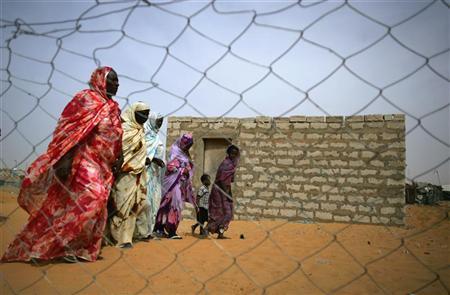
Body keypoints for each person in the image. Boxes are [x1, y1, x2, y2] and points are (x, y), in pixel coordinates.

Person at [2, 66, 123, 263]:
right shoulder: (86, 99)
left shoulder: (113, 107)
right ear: (101, 80)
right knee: (94, 196)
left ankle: (75, 249)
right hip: (83, 159)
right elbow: (69, 131)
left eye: (118, 80)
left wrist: (120, 156)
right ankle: (47, 245)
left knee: (90, 208)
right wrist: (64, 160)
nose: (117, 84)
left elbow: (117, 135)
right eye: (113, 80)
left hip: (104, 166)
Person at [109, 102, 152, 248]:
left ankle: (126, 238)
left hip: (138, 174)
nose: (145, 117)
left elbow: (139, 152)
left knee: (135, 205)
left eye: (147, 114)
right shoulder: (124, 129)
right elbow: (120, 151)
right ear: (133, 113)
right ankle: (115, 236)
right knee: (121, 205)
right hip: (124, 174)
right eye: (142, 113)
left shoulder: (141, 131)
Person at [153, 134, 196, 239]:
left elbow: (189, 167)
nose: (187, 148)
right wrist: (182, 169)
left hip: (180, 183)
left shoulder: (185, 154)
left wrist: (187, 170)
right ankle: (160, 228)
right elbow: (170, 167)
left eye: (189, 146)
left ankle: (171, 230)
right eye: (186, 145)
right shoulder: (175, 150)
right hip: (171, 184)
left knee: (175, 205)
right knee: (168, 205)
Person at [136, 112, 165, 237]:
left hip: (155, 176)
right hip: (145, 173)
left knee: (154, 202)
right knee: (144, 201)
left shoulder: (158, 138)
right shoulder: (144, 135)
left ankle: (148, 230)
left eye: (162, 121)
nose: (160, 124)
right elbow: (141, 153)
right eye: (158, 121)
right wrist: (153, 159)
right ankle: (139, 231)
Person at [207, 145, 240, 239]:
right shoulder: (226, 164)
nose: (233, 155)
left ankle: (220, 232)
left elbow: (228, 181)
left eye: (235, 154)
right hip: (219, 191)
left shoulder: (232, 164)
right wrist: (226, 194)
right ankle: (208, 229)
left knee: (227, 212)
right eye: (232, 153)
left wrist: (229, 193)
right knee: (220, 211)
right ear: (228, 153)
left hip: (226, 189)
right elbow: (221, 180)